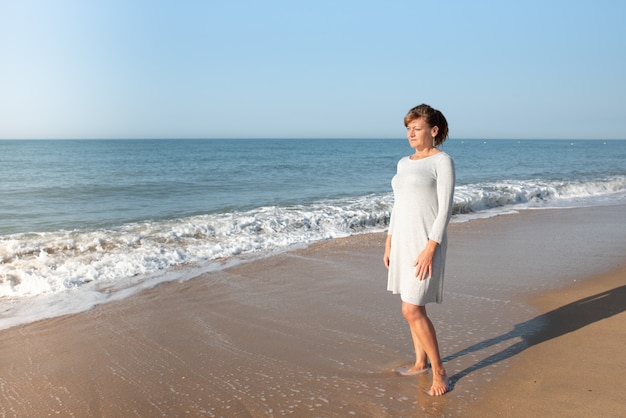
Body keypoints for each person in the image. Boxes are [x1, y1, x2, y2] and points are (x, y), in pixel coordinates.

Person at [383, 104, 455, 396]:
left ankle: (440, 371)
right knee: (414, 306)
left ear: (433, 131)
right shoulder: (404, 162)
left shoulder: (442, 161)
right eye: (408, 129)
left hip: (427, 242)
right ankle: (419, 362)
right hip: (402, 240)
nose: (411, 134)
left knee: (410, 308)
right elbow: (398, 204)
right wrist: (389, 241)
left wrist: (430, 247)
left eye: (417, 128)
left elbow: (446, 208)